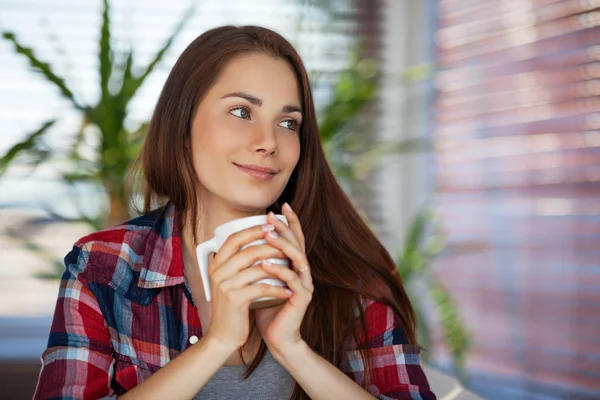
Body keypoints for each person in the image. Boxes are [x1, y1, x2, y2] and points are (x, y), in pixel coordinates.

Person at [33, 25, 436, 400]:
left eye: (288, 122)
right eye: (242, 111)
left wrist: (293, 349)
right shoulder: (103, 267)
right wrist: (217, 343)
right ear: (182, 123)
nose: (268, 142)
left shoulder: (354, 276)